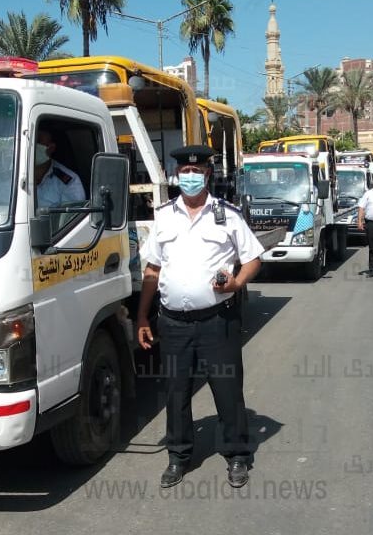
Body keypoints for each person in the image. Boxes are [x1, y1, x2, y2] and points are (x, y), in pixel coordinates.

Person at [136, 145, 264, 490]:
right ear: (176, 176)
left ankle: (237, 454)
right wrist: (142, 317)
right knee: (176, 392)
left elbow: (253, 257)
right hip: (173, 323)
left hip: (217, 321)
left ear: (207, 175)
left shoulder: (228, 214)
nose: (189, 177)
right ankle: (178, 457)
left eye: (197, 172)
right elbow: (152, 268)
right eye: (184, 172)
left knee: (227, 390)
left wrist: (236, 283)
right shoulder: (163, 216)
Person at [35, 129, 85, 209]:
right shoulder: (12, 172)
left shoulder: (70, 182)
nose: (32, 145)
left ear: (51, 148)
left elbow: (71, 218)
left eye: (37, 141)